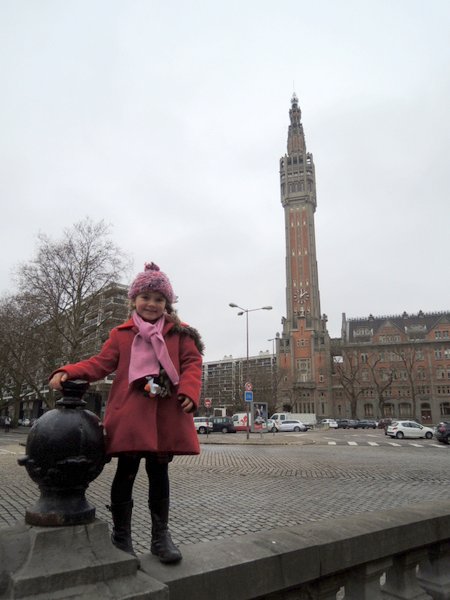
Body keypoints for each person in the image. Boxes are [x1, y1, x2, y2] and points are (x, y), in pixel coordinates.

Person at [49, 262, 204, 563]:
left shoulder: (180, 334)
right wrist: (67, 371)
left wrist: (188, 390)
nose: (151, 303)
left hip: (164, 414)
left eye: (159, 299)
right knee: (126, 472)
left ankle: (161, 537)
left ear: (166, 305)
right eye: (145, 297)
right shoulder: (121, 335)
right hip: (131, 415)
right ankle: (122, 537)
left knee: (159, 473)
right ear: (133, 300)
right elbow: (99, 364)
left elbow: (192, 364)